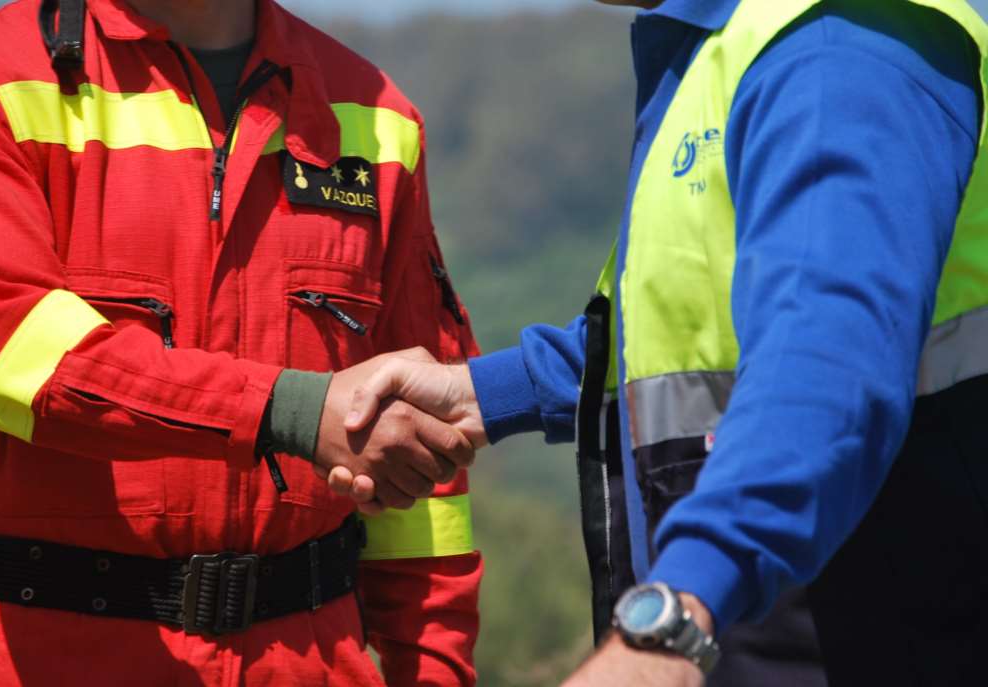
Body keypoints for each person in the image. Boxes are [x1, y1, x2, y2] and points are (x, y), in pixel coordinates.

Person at [334, 0, 988, 685]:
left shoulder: (834, 49)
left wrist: (676, 614)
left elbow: (825, 372)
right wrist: (482, 394)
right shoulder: (734, 48)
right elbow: (683, 326)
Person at [0, 0, 483, 685]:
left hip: (310, 664)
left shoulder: (378, 116)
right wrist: (293, 411)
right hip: (51, 653)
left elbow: (424, 464)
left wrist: (435, 672)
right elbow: (4, 350)